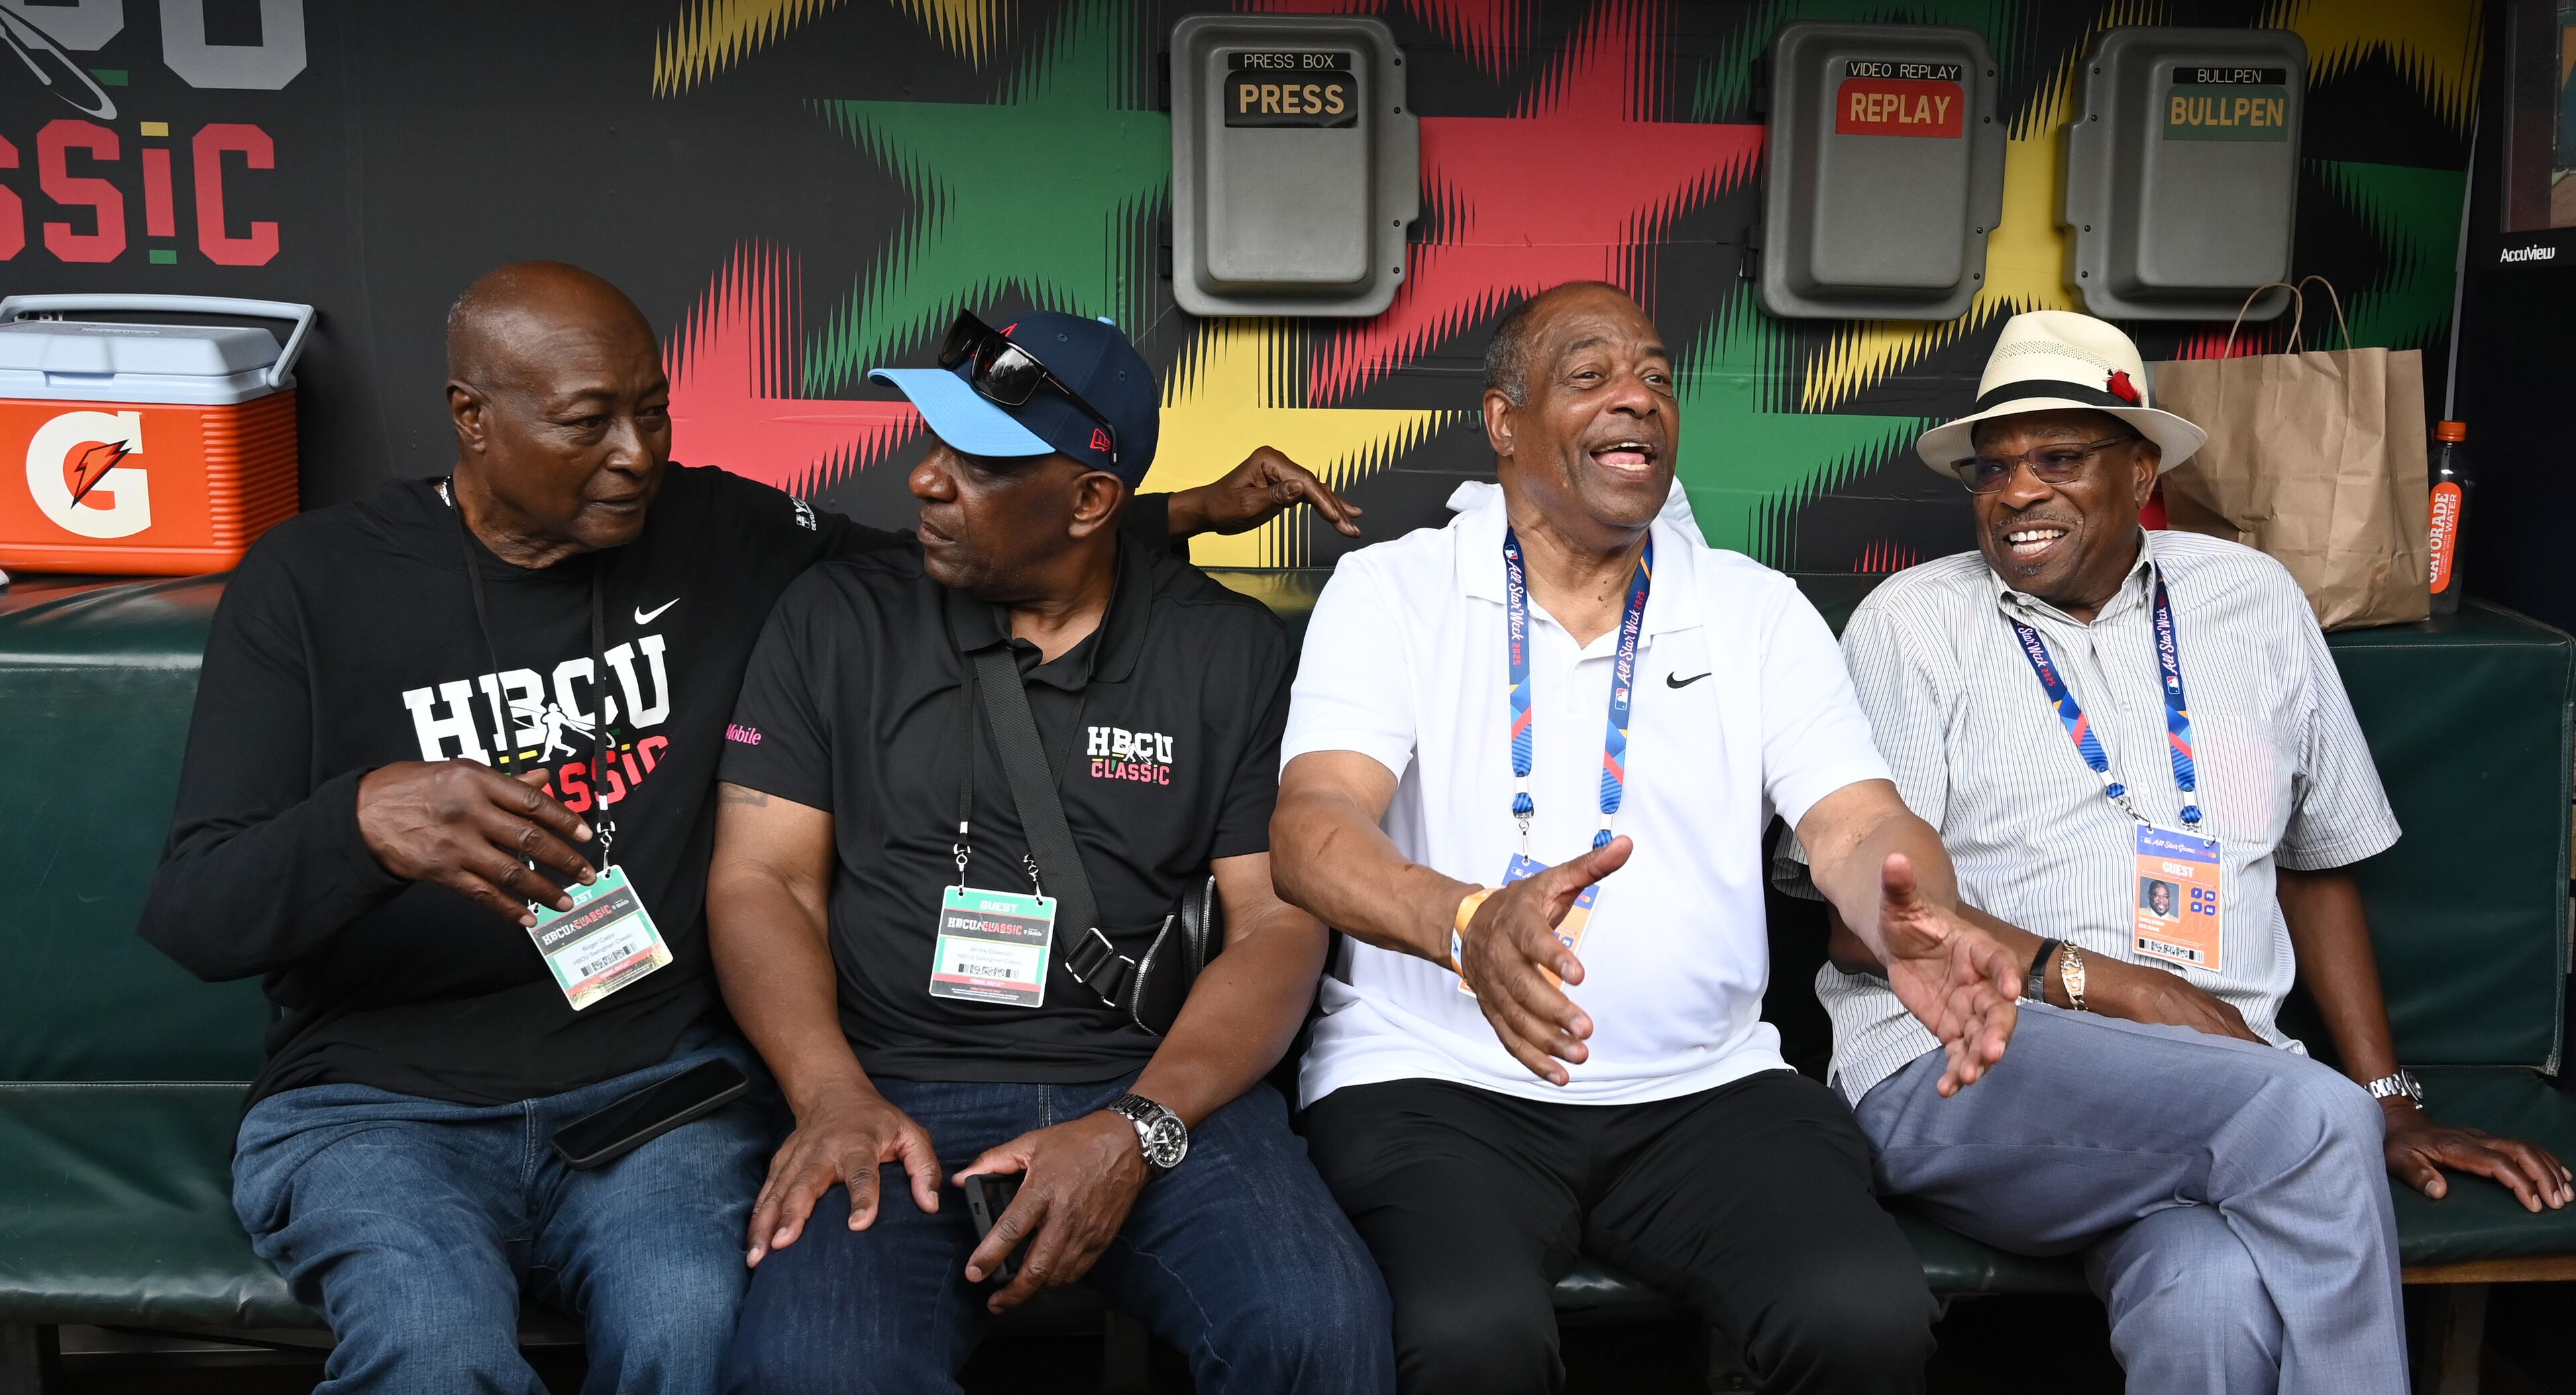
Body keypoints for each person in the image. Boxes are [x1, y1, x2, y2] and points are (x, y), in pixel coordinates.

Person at [136, 261, 1362, 1395]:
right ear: (472, 417)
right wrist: (359, 821)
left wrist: (1177, 511)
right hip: (399, 1096)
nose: (635, 455)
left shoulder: (724, 535)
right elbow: (196, 912)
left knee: (694, 1326)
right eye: (587, 422)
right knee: (438, 1344)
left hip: (655, 1085)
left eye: (655, 411)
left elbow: (980, 551)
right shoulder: (309, 582)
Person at [1784, 309, 2575, 1395]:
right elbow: (1872, 923)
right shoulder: (1913, 625)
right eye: (1995, 468)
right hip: (1972, 1063)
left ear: (2142, 466)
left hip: (2224, 1084)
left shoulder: (2252, 599)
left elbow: (2316, 860)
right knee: (2306, 1115)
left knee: (2207, 1300)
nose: (2018, 491)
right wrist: (2112, 986)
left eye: (2059, 458)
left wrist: (2389, 1099)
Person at [1268, 281, 2027, 1395]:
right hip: (1435, 1086)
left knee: (1862, 1317)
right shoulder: (1394, 592)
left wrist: (1909, 912)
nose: (1637, 398)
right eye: (1589, 377)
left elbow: (1858, 818)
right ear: (1502, 421)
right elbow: (1313, 828)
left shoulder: (1752, 607)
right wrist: (1465, 923)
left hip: (1706, 1095)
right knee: (1471, 1341)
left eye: (1658, 378)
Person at [706, 310, 1393, 1394]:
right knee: (808, 1373)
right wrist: (829, 1092)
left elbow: (1276, 922)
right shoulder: (835, 616)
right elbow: (763, 878)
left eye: (975, 462)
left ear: (1088, 501)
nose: (926, 480)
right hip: (892, 1091)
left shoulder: (1227, 649)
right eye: (931, 442)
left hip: (1154, 1088)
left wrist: (1139, 1127)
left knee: (1318, 1334)